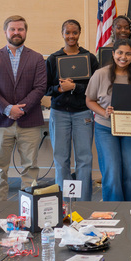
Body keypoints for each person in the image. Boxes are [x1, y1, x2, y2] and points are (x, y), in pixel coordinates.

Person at [0, 15, 47, 201]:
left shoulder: (37, 58)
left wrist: (20, 109)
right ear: (5, 32)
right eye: (12, 29)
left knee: (30, 168)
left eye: (20, 29)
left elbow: (40, 87)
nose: (16, 32)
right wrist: (7, 109)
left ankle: (29, 210)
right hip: (0, 121)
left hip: (29, 121)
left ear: (25, 32)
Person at [86, 38, 131, 203]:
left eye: (128, 54)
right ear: (113, 54)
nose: (123, 57)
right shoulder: (100, 74)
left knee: (130, 171)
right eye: (120, 53)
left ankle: (130, 209)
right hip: (105, 128)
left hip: (130, 129)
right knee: (112, 171)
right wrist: (104, 112)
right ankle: (113, 209)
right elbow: (89, 100)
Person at [46, 19, 98, 199]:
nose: (71, 36)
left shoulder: (90, 58)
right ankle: (63, 202)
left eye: (74, 32)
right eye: (67, 33)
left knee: (84, 159)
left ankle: (84, 202)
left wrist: (75, 87)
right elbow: (46, 88)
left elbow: (95, 88)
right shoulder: (53, 59)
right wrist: (60, 89)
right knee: (61, 160)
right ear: (62, 34)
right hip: (59, 113)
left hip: (83, 113)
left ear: (79, 34)